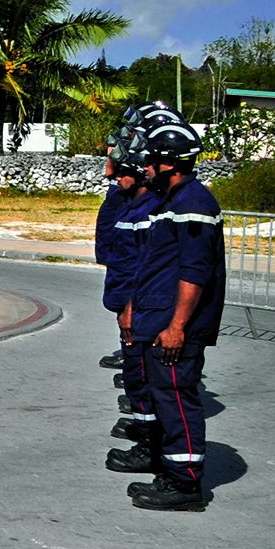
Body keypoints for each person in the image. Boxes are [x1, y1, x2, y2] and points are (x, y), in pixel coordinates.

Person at [111, 119, 225, 512]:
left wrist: (177, 326)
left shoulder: (192, 204)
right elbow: (153, 267)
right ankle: (168, 468)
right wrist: (133, 309)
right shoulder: (173, 202)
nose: (145, 169)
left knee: (177, 399)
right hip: (156, 319)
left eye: (151, 163)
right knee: (163, 397)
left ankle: (184, 484)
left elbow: (194, 272)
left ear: (169, 163)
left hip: (174, 327)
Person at [99, 131, 159, 450]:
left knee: (144, 375)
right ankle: (144, 428)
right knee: (137, 374)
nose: (117, 175)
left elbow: (144, 267)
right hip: (128, 305)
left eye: (125, 171)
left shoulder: (147, 209)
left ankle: (150, 442)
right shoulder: (132, 203)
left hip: (139, 310)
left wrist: (132, 307)